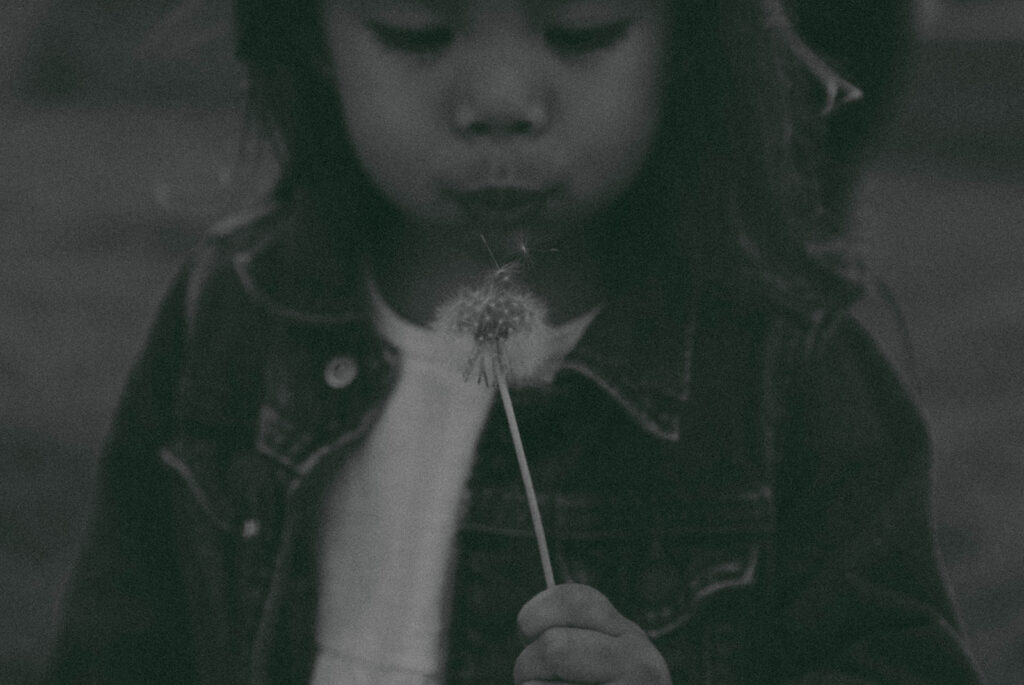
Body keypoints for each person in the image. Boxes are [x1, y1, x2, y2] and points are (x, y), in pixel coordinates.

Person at [46, 1, 984, 683]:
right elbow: (116, 646)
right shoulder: (230, 309)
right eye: (416, 33)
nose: (500, 101)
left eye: (581, 32)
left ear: (688, 38)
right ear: (311, 36)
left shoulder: (794, 373)